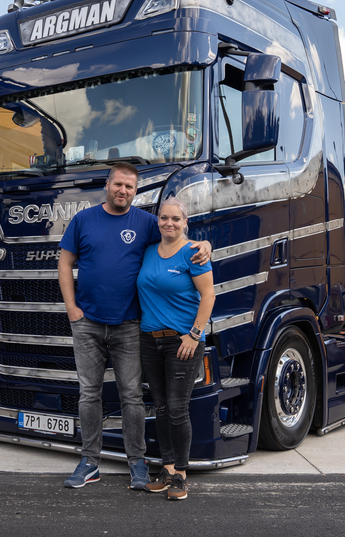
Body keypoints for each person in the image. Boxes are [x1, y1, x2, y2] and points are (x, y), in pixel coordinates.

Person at [58, 163, 211, 489]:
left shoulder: (145, 222)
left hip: (129, 325)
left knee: (132, 396)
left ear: (135, 190)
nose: (123, 191)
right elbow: (65, 262)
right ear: (108, 185)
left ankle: (137, 464)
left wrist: (204, 245)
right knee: (89, 394)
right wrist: (72, 309)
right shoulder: (83, 220)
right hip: (87, 324)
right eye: (118, 185)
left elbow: (177, 237)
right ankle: (90, 461)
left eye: (130, 186)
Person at [137, 197, 215, 500]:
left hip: (182, 342)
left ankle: (182, 475)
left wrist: (194, 335)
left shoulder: (194, 253)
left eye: (176, 219)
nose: (169, 223)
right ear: (158, 221)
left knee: (177, 409)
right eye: (164, 218)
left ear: (186, 222)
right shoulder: (147, 252)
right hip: (149, 340)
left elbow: (208, 296)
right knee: (160, 408)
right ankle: (167, 469)